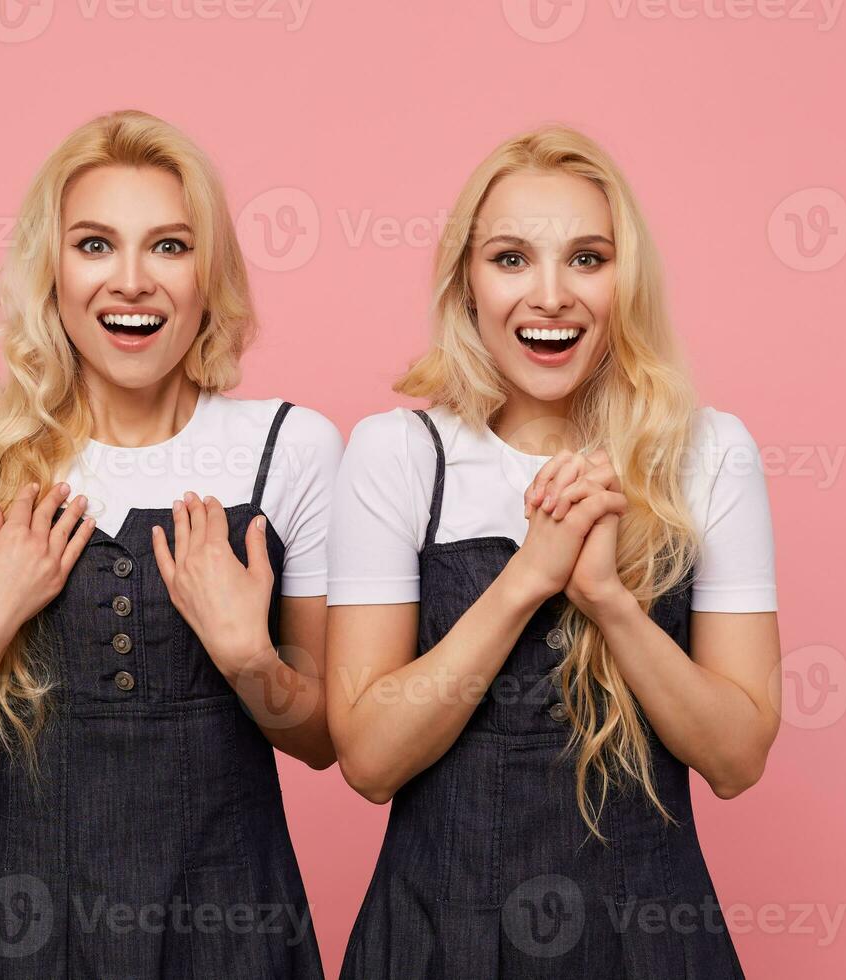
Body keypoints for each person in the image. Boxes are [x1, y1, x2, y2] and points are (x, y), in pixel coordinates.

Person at [0, 109, 339, 979]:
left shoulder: (294, 447)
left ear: (210, 274)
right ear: (50, 271)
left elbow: (324, 742)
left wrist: (250, 657)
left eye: (169, 247)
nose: (131, 281)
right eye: (95, 245)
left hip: (233, 932)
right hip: (19, 932)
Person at [326, 124, 780, 978]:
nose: (550, 296)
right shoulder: (398, 455)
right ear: (466, 281)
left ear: (625, 280)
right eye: (510, 259)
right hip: (436, 942)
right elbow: (370, 759)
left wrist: (609, 599)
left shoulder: (709, 454)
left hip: (649, 944)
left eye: (586, 258)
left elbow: (737, 755)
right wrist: (527, 580)